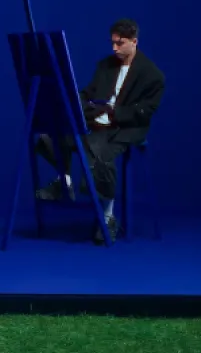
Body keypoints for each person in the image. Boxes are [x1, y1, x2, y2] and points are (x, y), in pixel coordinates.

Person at [33, 18, 165, 244]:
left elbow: (145, 111)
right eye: (112, 42)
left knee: (99, 152)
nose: (114, 48)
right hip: (96, 120)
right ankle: (64, 181)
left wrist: (114, 113)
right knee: (53, 134)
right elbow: (88, 93)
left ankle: (107, 216)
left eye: (120, 43)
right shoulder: (105, 66)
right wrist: (78, 102)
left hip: (125, 128)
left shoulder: (153, 75)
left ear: (134, 42)